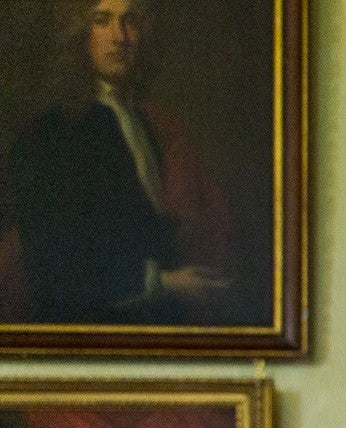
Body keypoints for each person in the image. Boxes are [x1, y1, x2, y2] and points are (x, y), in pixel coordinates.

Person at [0, 0, 233, 325]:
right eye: (102, 20)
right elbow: (54, 260)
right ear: (80, 34)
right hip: (84, 333)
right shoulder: (50, 134)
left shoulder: (148, 126)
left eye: (130, 21)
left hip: (153, 331)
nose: (119, 36)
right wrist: (165, 283)